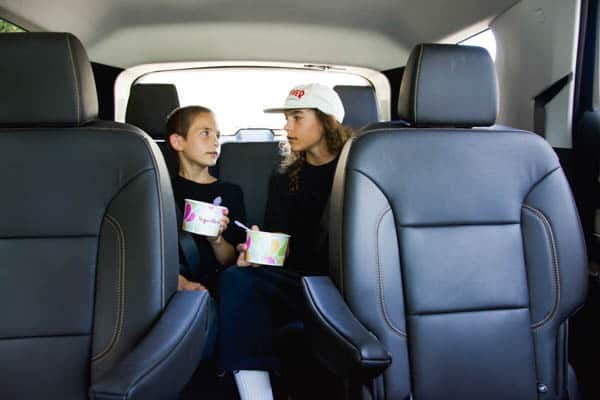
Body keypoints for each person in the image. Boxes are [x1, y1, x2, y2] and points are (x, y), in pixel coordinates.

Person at [217, 84, 352, 400]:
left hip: (352, 283)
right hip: (302, 282)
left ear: (326, 121)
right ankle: (257, 394)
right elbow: (280, 245)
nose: (286, 127)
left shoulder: (360, 166)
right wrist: (257, 252)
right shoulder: (284, 178)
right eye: (286, 118)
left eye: (297, 118)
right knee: (237, 278)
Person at [166, 105, 247, 294]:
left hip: (221, 284)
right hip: (176, 284)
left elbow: (231, 261)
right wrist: (175, 281)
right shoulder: (162, 192)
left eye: (217, 135)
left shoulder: (231, 192)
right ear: (178, 142)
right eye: (205, 133)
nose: (216, 142)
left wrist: (216, 240)